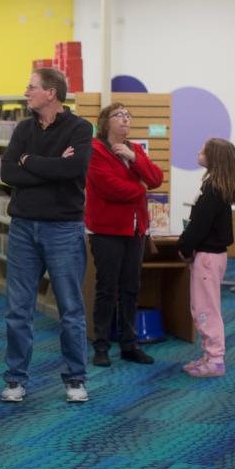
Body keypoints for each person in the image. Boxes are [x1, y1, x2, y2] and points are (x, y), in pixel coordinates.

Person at [0, 68, 93, 403]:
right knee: (18, 308)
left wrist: (29, 163)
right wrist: (49, 165)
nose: (27, 92)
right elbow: (7, 171)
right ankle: (15, 380)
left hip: (63, 229)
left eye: (32, 87)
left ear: (51, 93)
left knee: (70, 307)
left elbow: (74, 169)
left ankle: (76, 379)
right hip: (23, 226)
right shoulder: (24, 128)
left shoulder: (80, 128)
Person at [84, 103, 163, 367]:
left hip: (135, 229)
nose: (126, 119)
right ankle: (102, 346)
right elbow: (110, 189)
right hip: (106, 231)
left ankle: (130, 344)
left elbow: (155, 178)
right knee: (107, 289)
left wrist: (133, 158)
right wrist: (139, 189)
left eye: (129, 115)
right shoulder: (94, 151)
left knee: (131, 288)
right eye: (120, 115)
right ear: (106, 122)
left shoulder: (135, 149)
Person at [177, 138, 235, 378]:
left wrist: (184, 247)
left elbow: (199, 226)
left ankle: (215, 359)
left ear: (213, 158)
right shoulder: (216, 187)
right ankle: (208, 355)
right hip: (211, 256)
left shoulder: (213, 191)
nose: (198, 151)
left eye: (203, 150)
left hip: (208, 257)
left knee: (206, 309)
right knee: (202, 306)